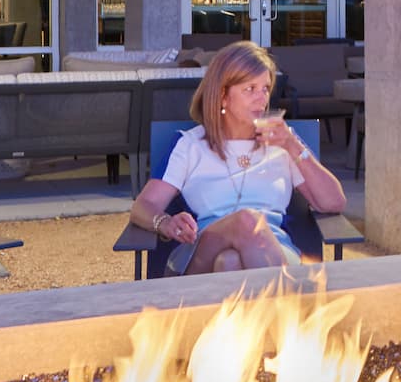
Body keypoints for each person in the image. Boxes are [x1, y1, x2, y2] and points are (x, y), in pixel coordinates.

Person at [124, 40, 346, 273]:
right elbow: (143, 206)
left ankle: (266, 303)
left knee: (229, 262)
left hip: (275, 249)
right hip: (201, 252)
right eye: (250, 89)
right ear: (222, 96)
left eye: (265, 88)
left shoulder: (283, 144)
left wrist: (292, 146)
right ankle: (288, 302)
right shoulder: (190, 145)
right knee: (246, 221)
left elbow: (333, 202)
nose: (261, 98)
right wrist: (166, 223)